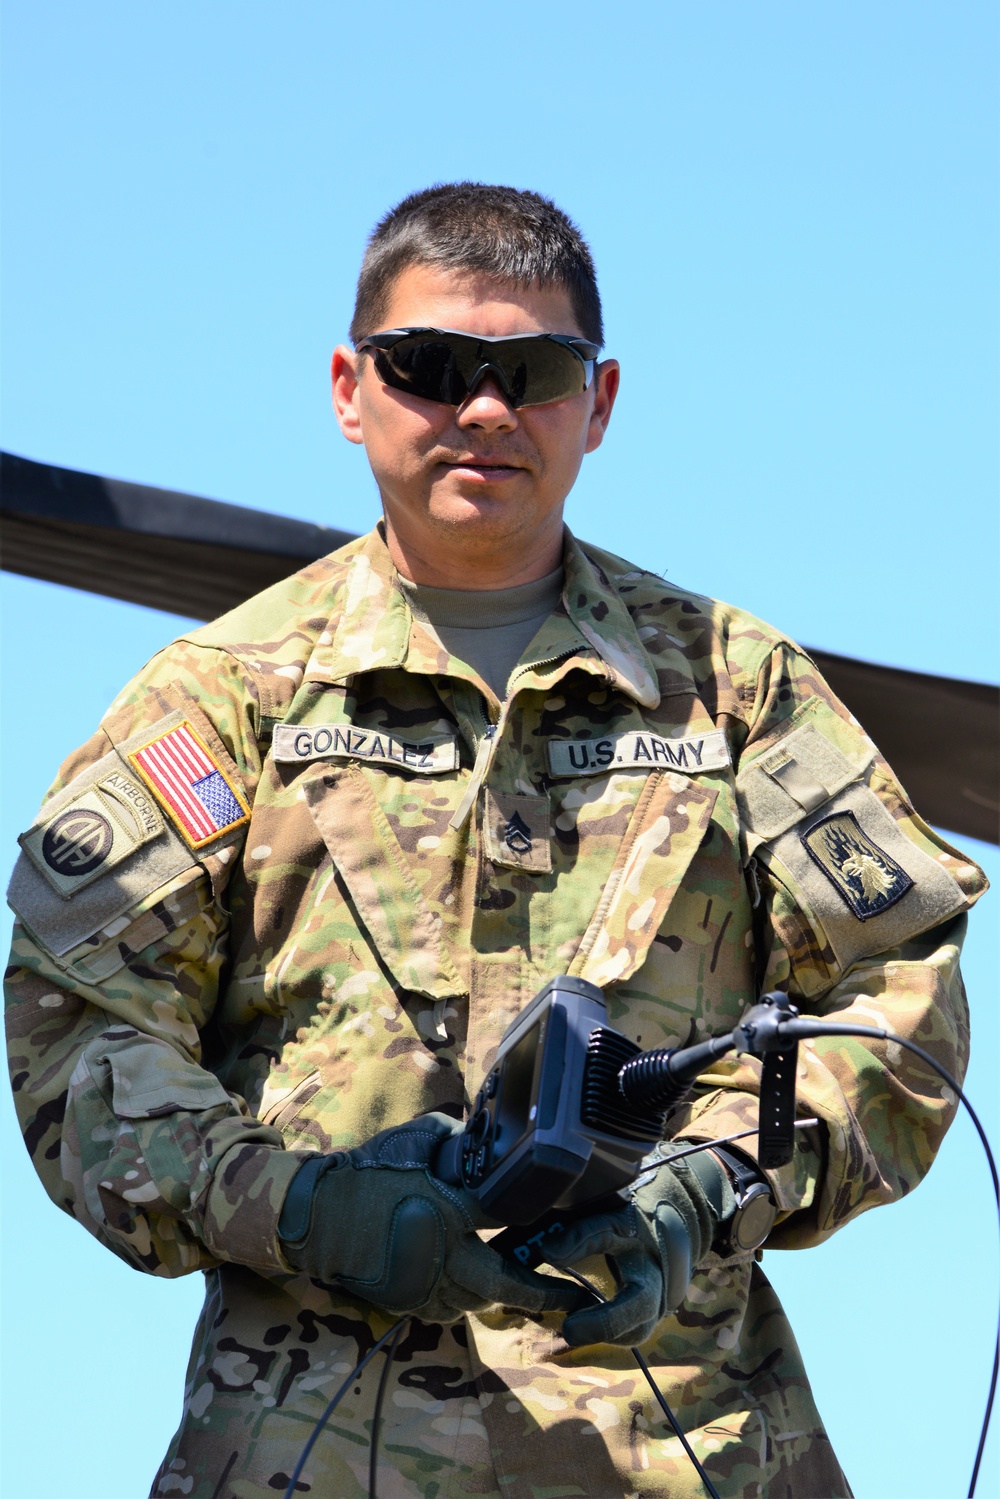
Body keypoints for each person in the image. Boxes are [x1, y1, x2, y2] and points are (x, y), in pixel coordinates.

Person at [5, 182, 988, 1499]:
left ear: (601, 401)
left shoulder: (737, 688)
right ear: (352, 389)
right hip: (308, 1452)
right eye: (432, 368)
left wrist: (706, 1190)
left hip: (685, 1450)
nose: (483, 409)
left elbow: (896, 998)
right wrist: (290, 1203)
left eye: (532, 371)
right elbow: (78, 1025)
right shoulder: (225, 698)